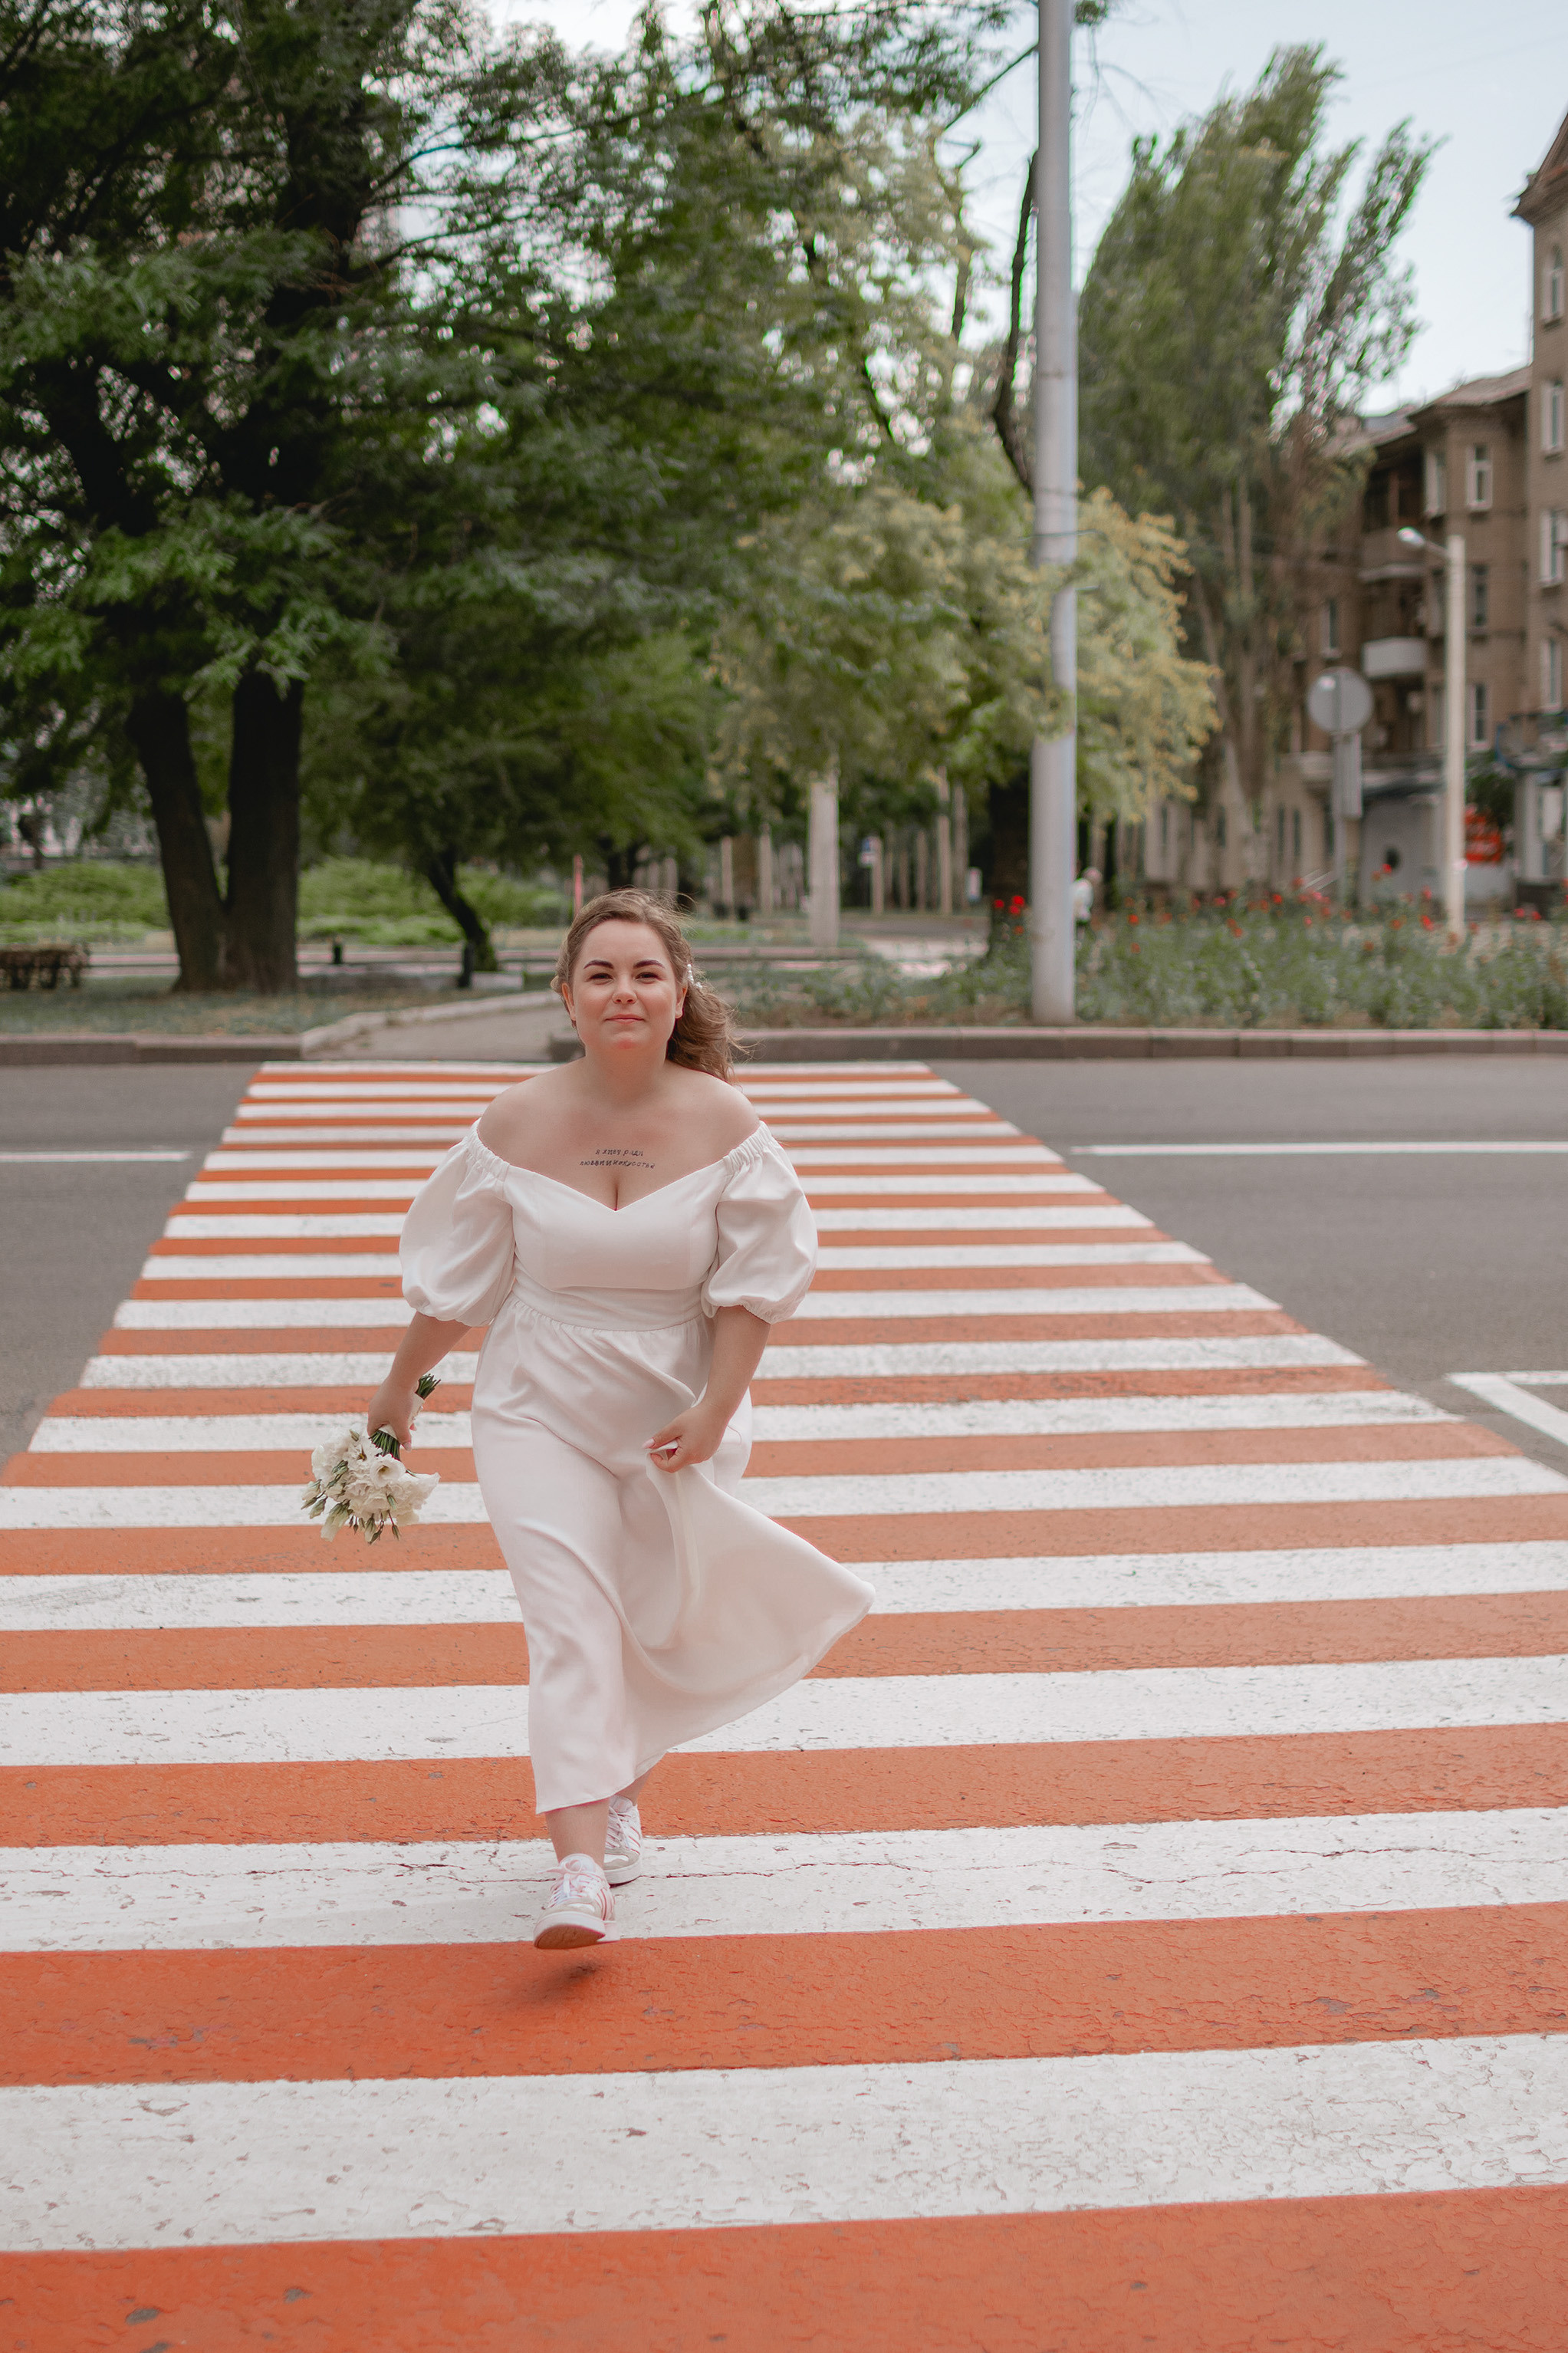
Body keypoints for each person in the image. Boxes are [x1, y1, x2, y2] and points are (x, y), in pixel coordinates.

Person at [366, 889, 873, 1950]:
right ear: (566, 995)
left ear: (678, 991)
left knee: (652, 1621)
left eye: (645, 973)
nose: (624, 992)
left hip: (673, 1411)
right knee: (571, 1626)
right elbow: (455, 1286)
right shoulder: (511, 1124)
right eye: (600, 974)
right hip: (533, 1406)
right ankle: (578, 1870)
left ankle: (620, 1780)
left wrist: (713, 1408)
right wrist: (398, 1395)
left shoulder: (726, 1125)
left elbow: (752, 1290)